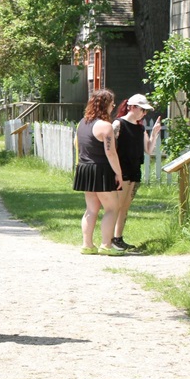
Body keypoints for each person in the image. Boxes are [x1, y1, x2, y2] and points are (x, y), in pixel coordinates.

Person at [73, 88, 125, 256]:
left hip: (85, 168)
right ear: (106, 105)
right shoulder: (106, 126)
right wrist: (119, 173)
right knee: (112, 208)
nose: (113, 106)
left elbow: (77, 145)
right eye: (112, 103)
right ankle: (106, 245)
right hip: (101, 169)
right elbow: (110, 152)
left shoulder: (81, 123)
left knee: (91, 209)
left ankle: (87, 245)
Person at [111, 94, 162, 251]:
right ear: (132, 107)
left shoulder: (140, 128)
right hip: (121, 170)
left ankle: (118, 238)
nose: (144, 114)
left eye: (145, 111)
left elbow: (148, 149)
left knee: (125, 206)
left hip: (134, 170)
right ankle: (109, 240)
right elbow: (110, 148)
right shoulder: (118, 124)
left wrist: (154, 133)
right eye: (142, 110)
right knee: (117, 206)